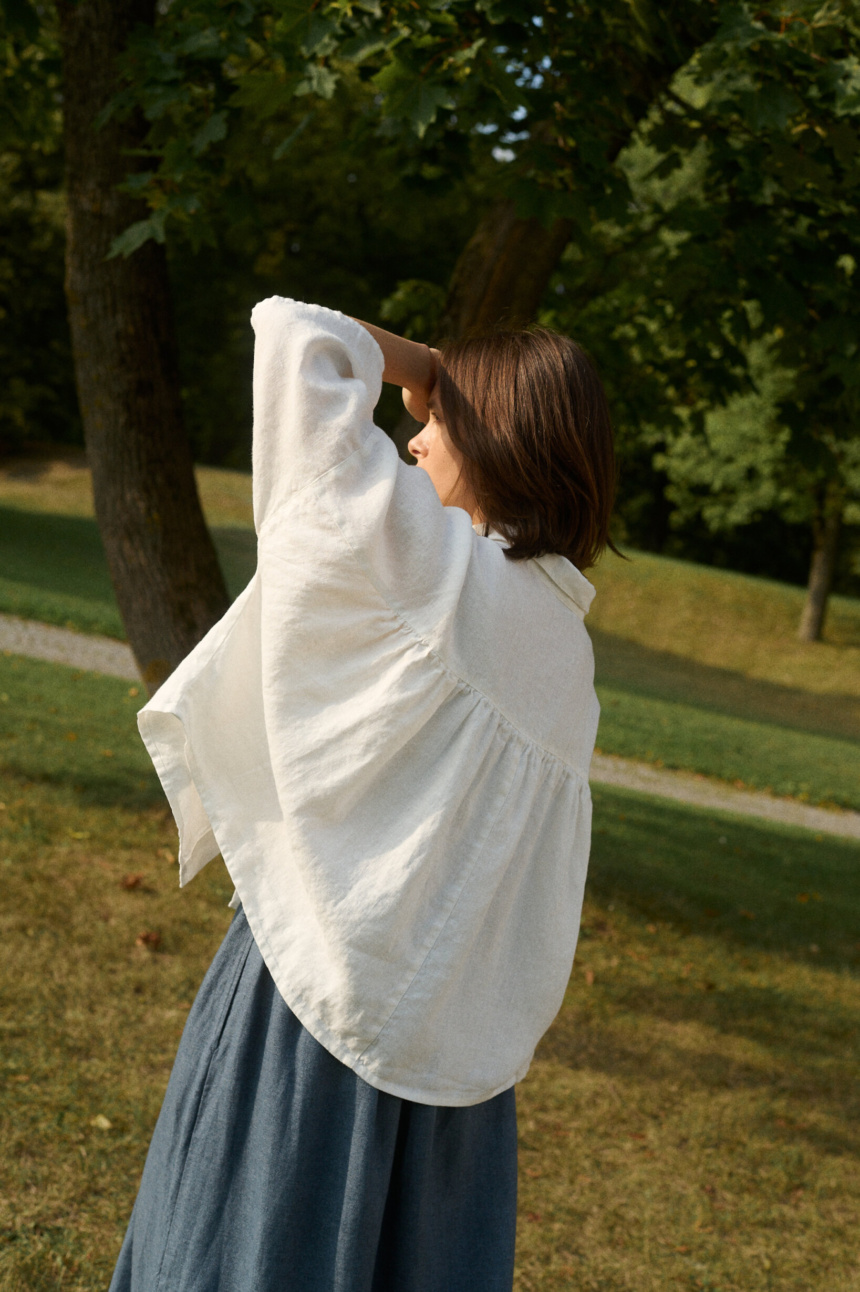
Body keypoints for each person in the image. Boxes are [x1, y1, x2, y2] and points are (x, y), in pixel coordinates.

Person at [109, 297, 615, 1292]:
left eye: (439, 419)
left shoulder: (437, 572)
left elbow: (293, 332)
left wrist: (424, 360)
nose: (417, 436)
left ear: (498, 433)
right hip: (456, 1070)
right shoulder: (566, 654)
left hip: (313, 1009)